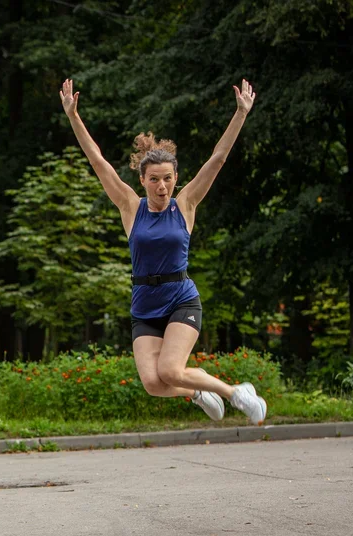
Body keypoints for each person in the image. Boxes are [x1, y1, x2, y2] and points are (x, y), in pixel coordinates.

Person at [59, 77, 268, 425]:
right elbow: (97, 161)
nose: (162, 186)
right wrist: (73, 116)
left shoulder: (185, 205)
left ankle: (236, 393)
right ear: (142, 180)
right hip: (145, 304)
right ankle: (198, 392)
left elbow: (217, 159)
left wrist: (241, 113)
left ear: (175, 178)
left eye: (168, 178)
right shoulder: (130, 206)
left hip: (180, 298)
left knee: (171, 370)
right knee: (154, 384)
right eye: (154, 179)